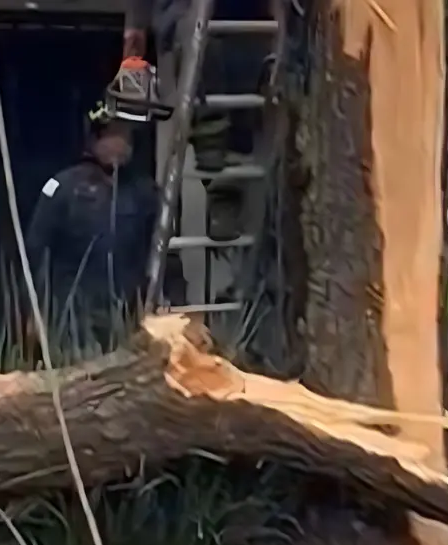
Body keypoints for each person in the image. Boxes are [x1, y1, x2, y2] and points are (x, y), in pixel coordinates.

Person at [25, 104, 181, 345]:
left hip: (127, 313)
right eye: (113, 134)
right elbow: (37, 250)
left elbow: (166, 253)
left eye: (126, 136)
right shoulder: (62, 187)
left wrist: (174, 303)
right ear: (95, 138)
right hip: (72, 315)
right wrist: (35, 311)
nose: (120, 143)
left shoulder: (146, 193)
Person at [122, 0, 270, 241]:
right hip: (184, 16)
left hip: (246, 19)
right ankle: (211, 150)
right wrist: (135, 26)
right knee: (198, 44)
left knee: (246, 81)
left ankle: (225, 201)